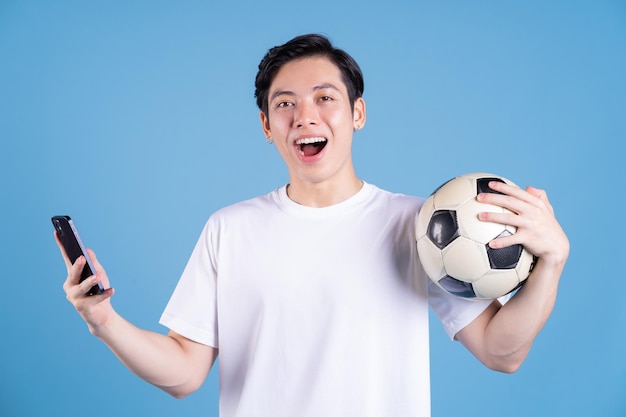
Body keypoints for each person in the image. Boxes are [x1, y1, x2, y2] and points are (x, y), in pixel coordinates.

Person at [56, 34, 569, 417]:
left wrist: (551, 262)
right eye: (285, 104)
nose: (305, 116)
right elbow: (185, 373)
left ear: (357, 112)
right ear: (266, 126)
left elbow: (502, 353)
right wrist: (104, 322)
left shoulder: (419, 226)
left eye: (325, 98)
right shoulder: (229, 230)